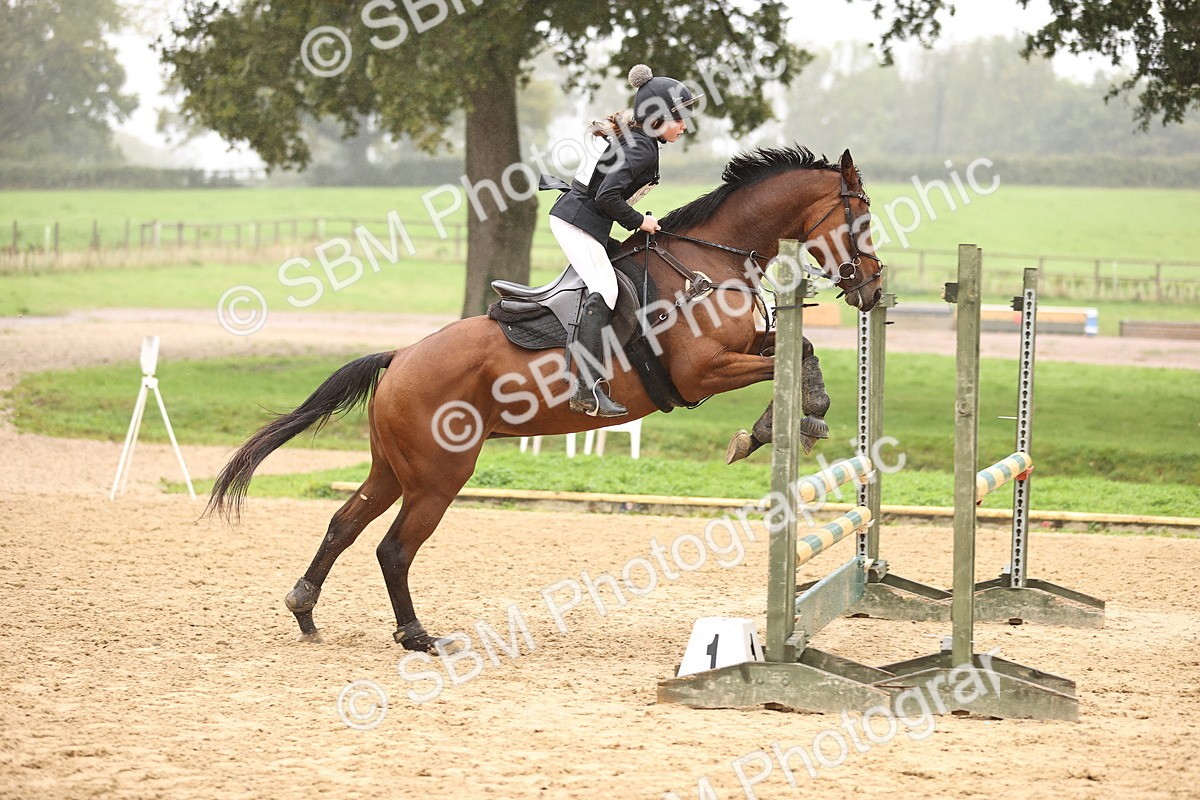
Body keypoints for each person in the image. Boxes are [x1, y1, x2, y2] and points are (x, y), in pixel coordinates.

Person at [548, 64, 700, 417]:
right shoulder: (641, 150)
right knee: (606, 289)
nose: (684, 126)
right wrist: (640, 222)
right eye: (679, 119)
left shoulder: (644, 144)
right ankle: (585, 389)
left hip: (587, 223)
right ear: (658, 117)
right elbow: (606, 197)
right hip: (576, 222)